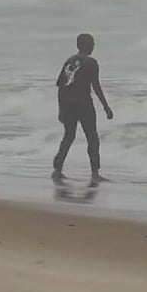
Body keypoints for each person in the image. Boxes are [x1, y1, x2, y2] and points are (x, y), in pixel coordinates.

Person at [52, 33, 113, 182]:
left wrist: (61, 109)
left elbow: (61, 86)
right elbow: (96, 86)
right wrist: (106, 107)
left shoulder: (69, 61)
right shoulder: (91, 62)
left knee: (68, 137)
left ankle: (57, 169)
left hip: (68, 105)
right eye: (92, 43)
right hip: (84, 105)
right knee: (92, 138)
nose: (94, 46)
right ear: (87, 45)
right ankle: (95, 174)